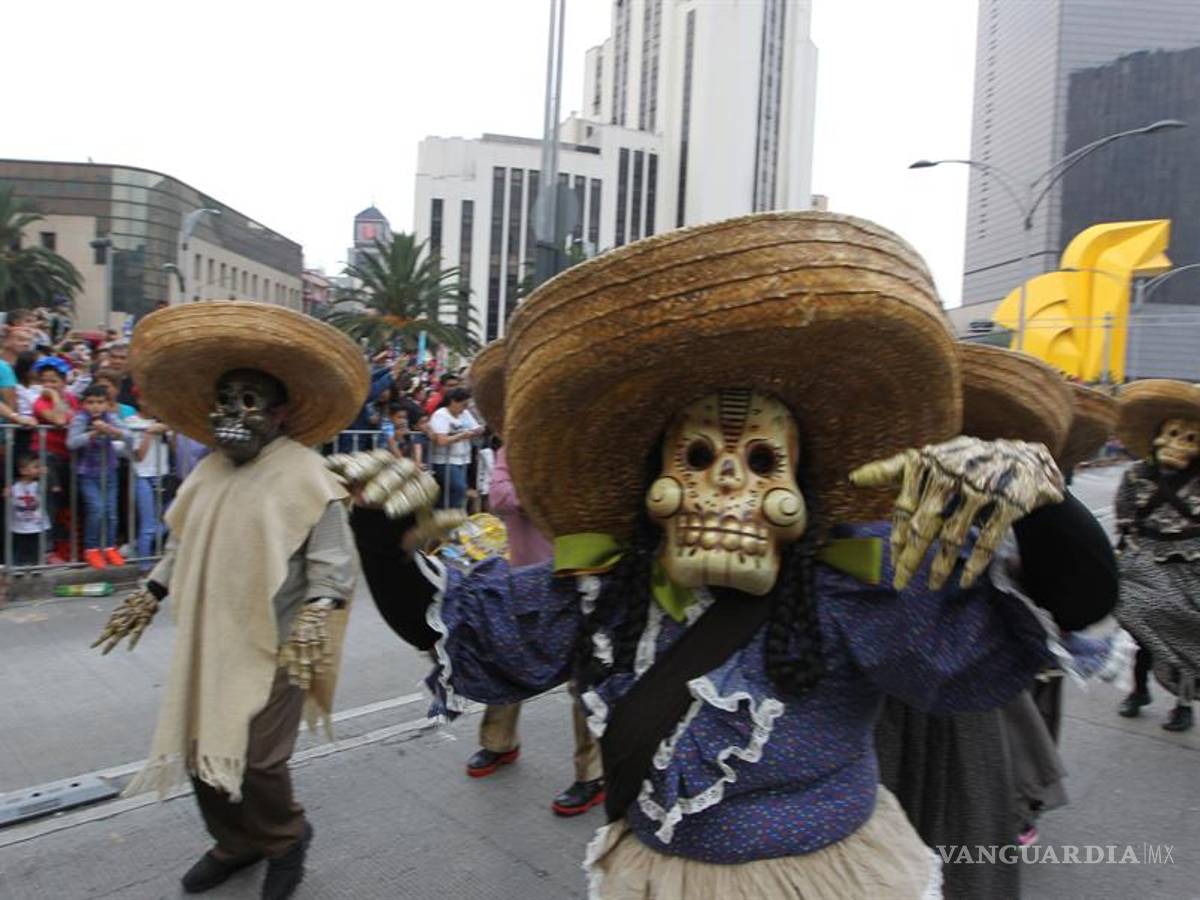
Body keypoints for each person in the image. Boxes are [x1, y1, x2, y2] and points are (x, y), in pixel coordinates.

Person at [340, 212, 1117, 898]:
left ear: (802, 490)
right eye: (699, 459)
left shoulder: (852, 585)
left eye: (762, 465)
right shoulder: (605, 586)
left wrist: (1042, 500)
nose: (726, 488)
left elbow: (1076, 608)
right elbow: (451, 631)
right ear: (655, 485)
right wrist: (382, 527)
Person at [90, 301, 368, 900]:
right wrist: (150, 590)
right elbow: (185, 541)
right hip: (211, 640)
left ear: (280, 412)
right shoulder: (210, 471)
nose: (231, 414)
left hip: (279, 645)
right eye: (225, 400)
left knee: (261, 763)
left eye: (248, 400)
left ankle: (284, 836)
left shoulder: (307, 476)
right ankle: (234, 843)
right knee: (200, 752)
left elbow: (333, 565)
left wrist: (317, 612)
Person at [1112, 379, 1200, 733]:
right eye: (1173, 433)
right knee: (1144, 629)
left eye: (1190, 437)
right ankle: (1139, 690)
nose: (1179, 443)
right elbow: (1124, 516)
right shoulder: (1135, 475)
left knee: (1186, 635)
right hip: (1145, 559)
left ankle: (1183, 703)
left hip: (1191, 564)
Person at [66, 384, 128, 569]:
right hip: (87, 472)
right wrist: (92, 433)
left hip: (109, 470)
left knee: (111, 512)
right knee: (96, 509)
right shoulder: (80, 420)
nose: (95, 407)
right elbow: (71, 442)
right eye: (91, 402)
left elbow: (128, 435)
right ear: (83, 404)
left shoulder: (111, 418)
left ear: (107, 404)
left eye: (100, 402)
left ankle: (109, 547)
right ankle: (91, 548)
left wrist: (111, 431)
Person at [31, 357, 78, 562]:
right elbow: (59, 420)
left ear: (64, 381)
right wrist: (55, 397)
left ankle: (64, 548)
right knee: (48, 502)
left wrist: (63, 402)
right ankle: (46, 550)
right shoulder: (40, 401)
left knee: (64, 505)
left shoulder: (73, 399)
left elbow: (75, 420)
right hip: (46, 456)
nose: (48, 385)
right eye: (45, 381)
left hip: (67, 456)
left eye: (54, 381)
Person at [125, 411, 171, 568]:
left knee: (172, 517)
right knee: (147, 525)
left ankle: (136, 545)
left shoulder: (164, 419)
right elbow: (139, 456)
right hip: (143, 475)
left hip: (163, 475)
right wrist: (149, 432)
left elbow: (174, 448)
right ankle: (144, 567)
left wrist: (171, 428)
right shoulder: (131, 421)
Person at [428, 387, 482, 510]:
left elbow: (475, 427)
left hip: (463, 459)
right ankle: (441, 513)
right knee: (459, 488)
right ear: (453, 401)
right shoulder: (441, 415)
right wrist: (461, 436)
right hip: (445, 460)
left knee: (455, 491)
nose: (464, 408)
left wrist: (478, 430)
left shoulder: (465, 413)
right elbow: (441, 440)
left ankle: (449, 516)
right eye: (463, 404)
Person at [7, 454, 50, 566]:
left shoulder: (38, 484)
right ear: (23, 471)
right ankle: (17, 566)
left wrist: (45, 475)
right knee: (19, 548)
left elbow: (48, 488)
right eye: (36, 467)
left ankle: (36, 566)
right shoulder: (14, 486)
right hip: (19, 526)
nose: (39, 469)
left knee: (36, 548)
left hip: (36, 525)